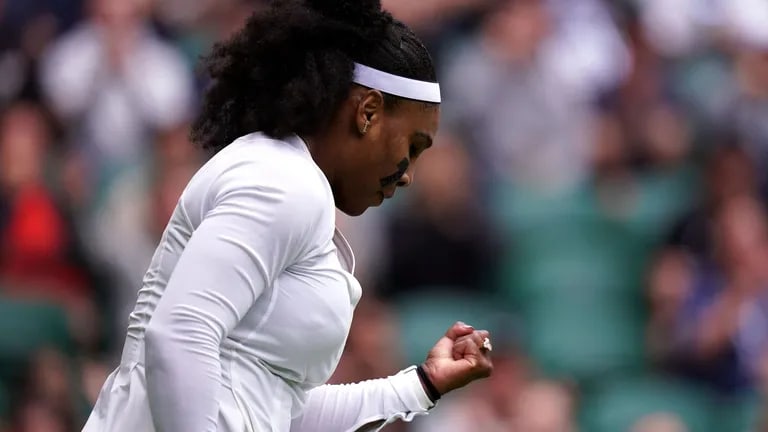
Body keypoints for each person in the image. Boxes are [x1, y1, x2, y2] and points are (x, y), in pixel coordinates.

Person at [82, 0, 494, 431]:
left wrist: (421, 385)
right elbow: (181, 332)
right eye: (412, 146)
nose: (408, 174)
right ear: (367, 112)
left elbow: (276, 410)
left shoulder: (288, 180)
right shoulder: (283, 182)